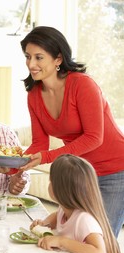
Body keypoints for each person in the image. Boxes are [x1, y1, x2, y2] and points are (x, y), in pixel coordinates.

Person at [19, 26, 124, 238]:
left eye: (39, 57)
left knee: (101, 242)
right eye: (28, 56)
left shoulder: (82, 85)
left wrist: (47, 157)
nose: (31, 64)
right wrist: (13, 165)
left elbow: (94, 137)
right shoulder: (34, 94)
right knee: (74, 237)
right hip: (81, 175)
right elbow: (40, 143)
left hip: (115, 170)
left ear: (58, 59)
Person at [30, 154, 121, 253]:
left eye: (51, 181)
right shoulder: (64, 210)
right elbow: (57, 217)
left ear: (60, 189)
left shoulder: (84, 219)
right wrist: (44, 223)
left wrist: (61, 241)